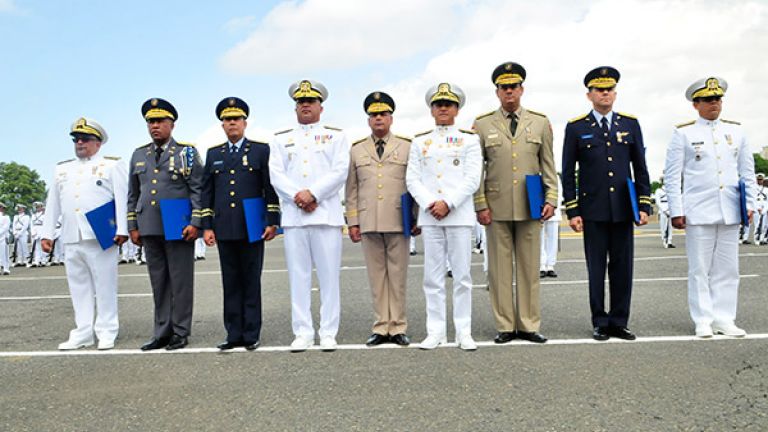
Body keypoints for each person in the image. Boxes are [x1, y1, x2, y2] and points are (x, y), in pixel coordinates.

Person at [562, 66, 651, 341]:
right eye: (599, 90)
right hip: (593, 209)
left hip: (624, 208)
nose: (605, 94)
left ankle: (619, 321)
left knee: (623, 267)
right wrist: (573, 210)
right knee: (596, 268)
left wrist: (644, 204)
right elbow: (568, 171)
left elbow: (640, 167)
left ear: (615, 93)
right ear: (589, 95)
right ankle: (600, 320)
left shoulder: (629, 124)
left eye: (609, 89)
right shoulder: (576, 127)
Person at [663, 76, 756, 338]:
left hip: (730, 209)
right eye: (708, 100)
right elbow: (673, 175)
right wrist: (677, 210)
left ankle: (725, 318)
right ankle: (703, 319)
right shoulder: (684, 133)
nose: (714, 103)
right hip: (698, 210)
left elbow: (747, 172)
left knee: (728, 269)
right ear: (696, 105)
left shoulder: (736, 131)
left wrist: (749, 205)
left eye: (717, 99)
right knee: (700, 268)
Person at [473, 62, 558, 344]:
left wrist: (551, 198)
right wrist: (480, 203)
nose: (509, 92)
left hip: (530, 203)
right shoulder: (482, 124)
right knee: (499, 269)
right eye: (503, 88)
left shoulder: (540, 122)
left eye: (514, 87)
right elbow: (478, 170)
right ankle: (505, 325)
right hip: (496, 205)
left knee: (529, 267)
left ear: (521, 89)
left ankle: (529, 324)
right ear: (497, 92)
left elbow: (547, 163)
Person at [269, 80, 349, 352]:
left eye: (310, 101)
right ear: (295, 107)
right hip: (295, 216)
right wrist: (298, 196)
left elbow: (340, 171)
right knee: (298, 278)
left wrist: (313, 194)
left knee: (329, 279)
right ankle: (302, 331)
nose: (305, 105)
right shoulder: (281, 139)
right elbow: (276, 174)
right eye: (301, 102)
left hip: (325, 215)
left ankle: (328, 331)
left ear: (320, 107)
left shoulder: (336, 136)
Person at [406, 82, 482, 351]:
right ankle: (435, 331)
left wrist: (448, 203)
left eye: (448, 105)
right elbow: (412, 178)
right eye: (438, 105)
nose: (443, 109)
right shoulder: (419, 141)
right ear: (431, 109)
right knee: (432, 278)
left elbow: (473, 178)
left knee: (461, 276)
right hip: (431, 216)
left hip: (458, 214)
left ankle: (464, 331)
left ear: (457, 109)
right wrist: (430, 203)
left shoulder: (469, 140)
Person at [41, 117, 128, 350]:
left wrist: (122, 229)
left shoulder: (111, 165)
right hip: (71, 235)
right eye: (76, 139)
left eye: (85, 139)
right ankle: (82, 331)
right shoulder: (62, 169)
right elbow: (54, 204)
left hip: (101, 235)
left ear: (98, 143)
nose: (80, 143)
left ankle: (107, 330)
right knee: (78, 286)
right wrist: (47, 233)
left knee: (105, 284)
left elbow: (121, 199)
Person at [201, 97, 280, 351]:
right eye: (227, 120)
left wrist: (272, 221)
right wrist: (207, 225)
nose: (232, 123)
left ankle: (251, 332)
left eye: (236, 119)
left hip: (252, 225)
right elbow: (207, 192)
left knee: (251, 280)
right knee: (230, 281)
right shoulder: (214, 154)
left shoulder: (260, 150)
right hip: (224, 226)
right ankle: (233, 333)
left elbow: (270, 187)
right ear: (222, 125)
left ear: (245, 123)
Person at [128, 98, 203, 351]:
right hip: (149, 224)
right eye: (151, 122)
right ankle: (162, 331)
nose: (155, 126)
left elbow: (197, 189)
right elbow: (133, 193)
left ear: (171, 124)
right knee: (158, 282)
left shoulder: (186, 152)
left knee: (180, 281)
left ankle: (180, 331)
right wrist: (132, 225)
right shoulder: (139, 154)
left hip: (177, 224)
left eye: (160, 121)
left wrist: (196, 221)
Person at [345, 91, 417, 347]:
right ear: (368, 120)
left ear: (391, 118)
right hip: (369, 221)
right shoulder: (356, 149)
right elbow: (351, 188)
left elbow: (414, 185)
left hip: (398, 218)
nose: (378, 118)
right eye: (374, 115)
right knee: (376, 276)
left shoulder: (408, 146)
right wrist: (353, 221)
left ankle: (397, 326)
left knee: (398, 275)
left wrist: (415, 217)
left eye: (383, 114)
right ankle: (380, 325)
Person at [540, 175, 563, 277]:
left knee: (552, 239)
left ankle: (550, 265)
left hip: (553, 212)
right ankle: (541, 265)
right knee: (539, 239)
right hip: (538, 211)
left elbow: (559, 194)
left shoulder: (555, 176)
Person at [654, 176, 675, 248]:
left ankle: (669, 241)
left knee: (671, 227)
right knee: (663, 227)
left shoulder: (671, 190)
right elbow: (657, 202)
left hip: (670, 210)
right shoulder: (658, 191)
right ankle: (664, 241)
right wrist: (664, 210)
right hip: (663, 211)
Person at [28, 201, 47, 267]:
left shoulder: (45, 215)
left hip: (42, 229)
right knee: (36, 246)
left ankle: (44, 260)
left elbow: (46, 224)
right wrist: (33, 232)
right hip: (35, 230)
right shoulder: (33, 215)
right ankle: (37, 260)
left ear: (42, 207)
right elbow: (31, 224)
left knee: (43, 246)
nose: (37, 208)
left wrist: (44, 232)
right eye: (36, 207)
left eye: (38, 207)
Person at [753, 173, 766, 245]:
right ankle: (756, 239)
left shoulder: (766, 189)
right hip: (756, 208)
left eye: (761, 179)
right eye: (758, 179)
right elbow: (753, 199)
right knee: (758, 224)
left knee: (764, 225)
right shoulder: (754, 188)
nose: (760, 181)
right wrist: (758, 208)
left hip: (764, 208)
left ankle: (762, 238)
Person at [0, 202, 9, 275]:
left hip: (3, 237)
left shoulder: (6, 217)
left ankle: (6, 269)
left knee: (4, 254)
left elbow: (5, 228)